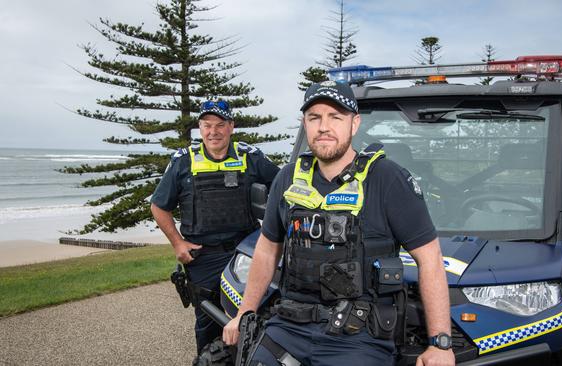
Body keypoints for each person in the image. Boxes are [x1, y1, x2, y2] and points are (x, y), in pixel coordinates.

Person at [223, 82, 455, 366]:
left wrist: (440, 344)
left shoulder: (387, 179)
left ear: (354, 124)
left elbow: (430, 258)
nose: (324, 126)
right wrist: (244, 313)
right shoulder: (287, 178)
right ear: (305, 124)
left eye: (335, 117)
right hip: (288, 328)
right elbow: (267, 248)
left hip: (358, 336)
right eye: (314, 117)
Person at [150, 99, 280, 356]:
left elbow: (282, 188)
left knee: (254, 316)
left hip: (245, 254)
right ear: (200, 128)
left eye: (220, 125)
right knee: (209, 322)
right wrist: (178, 243)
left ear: (231, 127)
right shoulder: (183, 161)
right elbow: (158, 206)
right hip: (204, 257)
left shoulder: (250, 157)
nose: (213, 131)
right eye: (207, 125)